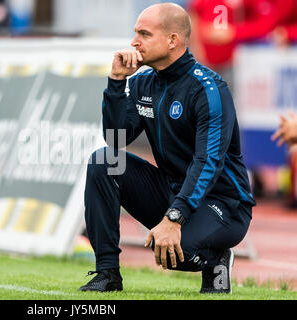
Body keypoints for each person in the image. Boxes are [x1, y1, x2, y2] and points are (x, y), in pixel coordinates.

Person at [79, 2, 256, 294]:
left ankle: (217, 258)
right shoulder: (142, 84)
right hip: (174, 190)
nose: (134, 42)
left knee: (175, 253)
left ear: (173, 40)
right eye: (135, 33)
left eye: (144, 34)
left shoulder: (209, 89)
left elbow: (207, 161)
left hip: (223, 204)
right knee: (104, 161)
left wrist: (175, 217)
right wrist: (115, 84)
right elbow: (115, 139)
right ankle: (107, 273)